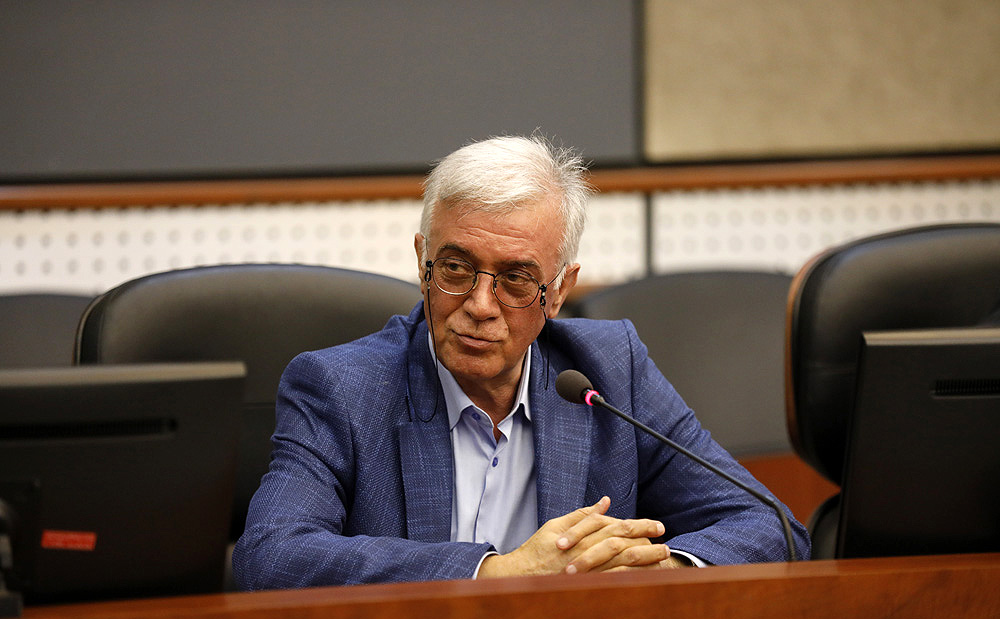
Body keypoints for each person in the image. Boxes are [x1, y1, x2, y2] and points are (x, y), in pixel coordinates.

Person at [233, 135, 810, 589]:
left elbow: (772, 526)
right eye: (455, 268)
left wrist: (653, 572)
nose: (480, 306)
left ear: (558, 292)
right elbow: (270, 556)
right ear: (422, 262)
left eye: (515, 279)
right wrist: (499, 573)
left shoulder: (610, 373)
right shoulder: (340, 387)